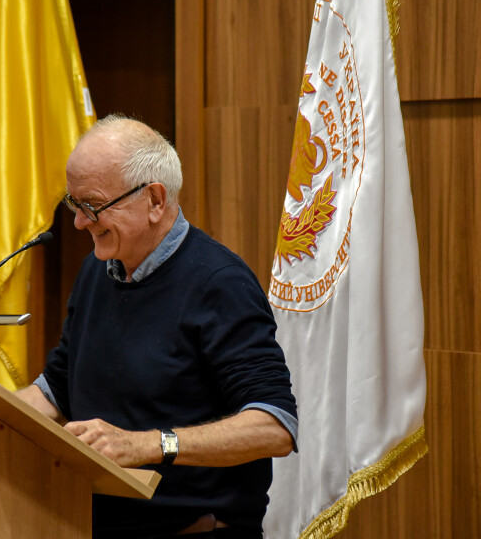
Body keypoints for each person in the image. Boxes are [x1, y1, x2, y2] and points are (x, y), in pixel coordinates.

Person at [17, 115, 298, 538]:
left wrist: (149, 444)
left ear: (154, 200)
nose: (79, 222)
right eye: (74, 204)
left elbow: (274, 426)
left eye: (93, 205)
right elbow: (56, 388)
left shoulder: (219, 283)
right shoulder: (96, 272)